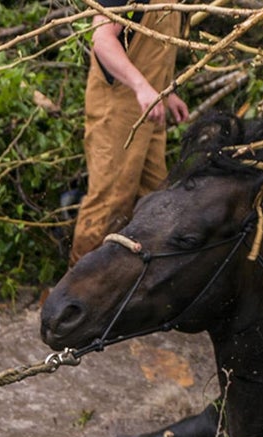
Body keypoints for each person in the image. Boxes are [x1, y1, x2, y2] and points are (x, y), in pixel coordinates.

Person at [70, 0, 189, 264]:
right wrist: (141, 86)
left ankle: (136, 291)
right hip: (117, 108)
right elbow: (102, 39)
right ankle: (77, 292)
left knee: (154, 199)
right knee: (109, 203)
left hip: (149, 108)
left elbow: (151, 47)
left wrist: (166, 92)